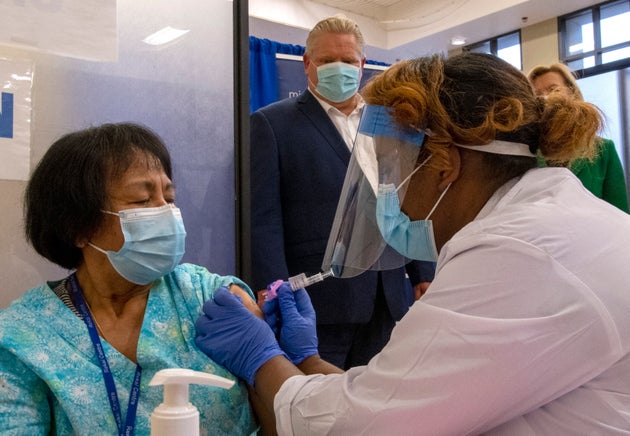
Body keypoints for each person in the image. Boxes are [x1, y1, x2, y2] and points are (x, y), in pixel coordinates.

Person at [196, 52, 630, 434]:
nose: (388, 191)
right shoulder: (547, 218)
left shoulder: (517, 254)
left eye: (391, 169)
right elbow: (399, 397)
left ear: (445, 165)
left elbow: (361, 426)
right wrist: (306, 358)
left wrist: (259, 357)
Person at [0, 123, 261, 434]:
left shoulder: (214, 300)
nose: (166, 212)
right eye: (141, 200)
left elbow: (280, 410)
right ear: (77, 228)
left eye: (169, 196)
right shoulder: (26, 336)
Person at [249, 15, 435, 370]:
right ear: (307, 65)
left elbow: (406, 196)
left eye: (348, 60)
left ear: (363, 64)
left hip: (388, 293)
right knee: (317, 408)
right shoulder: (272, 124)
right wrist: (272, 287)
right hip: (318, 299)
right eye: (327, 60)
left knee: (376, 406)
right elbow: (264, 219)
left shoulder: (388, 123)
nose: (340, 68)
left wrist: (423, 268)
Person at [528, 62, 629, 212]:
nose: (545, 97)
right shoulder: (527, 151)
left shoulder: (603, 150)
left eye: (553, 89)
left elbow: (620, 212)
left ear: (572, 93)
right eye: (537, 94)